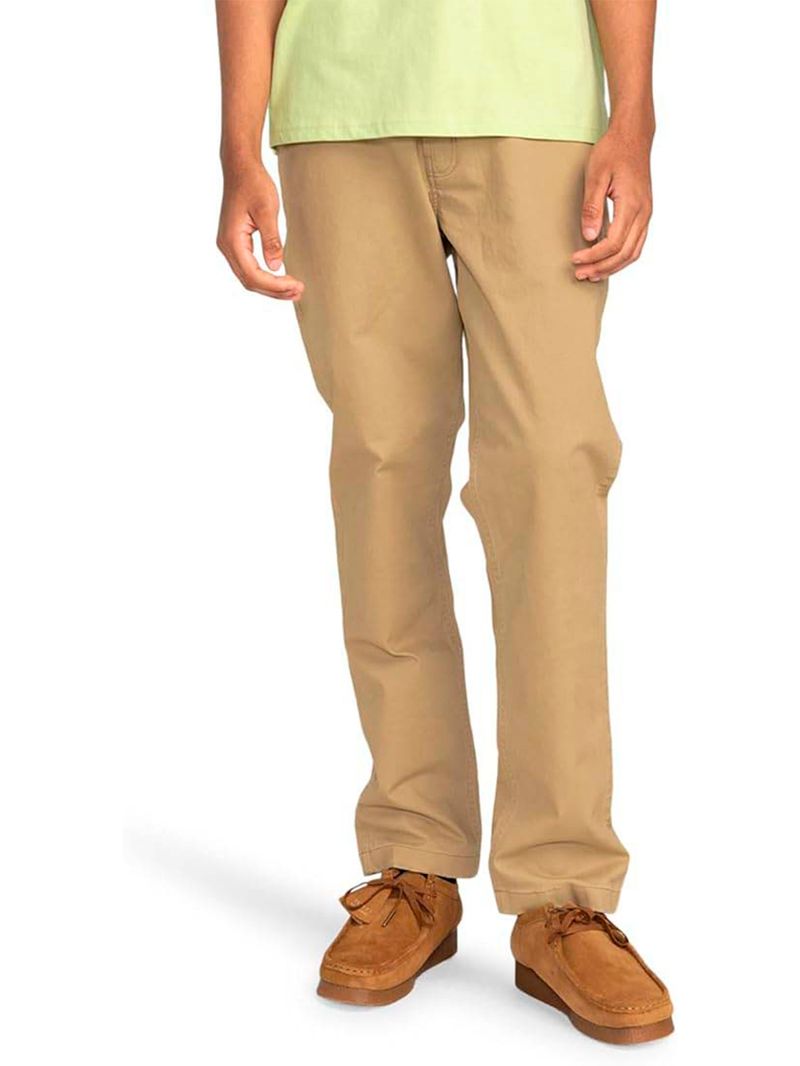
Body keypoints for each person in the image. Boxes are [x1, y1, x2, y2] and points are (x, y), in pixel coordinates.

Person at [215, 0, 672, 1043]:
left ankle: (561, 892)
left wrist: (634, 113)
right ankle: (415, 860)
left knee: (552, 471)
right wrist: (239, 143)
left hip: (534, 99)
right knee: (383, 473)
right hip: (339, 105)